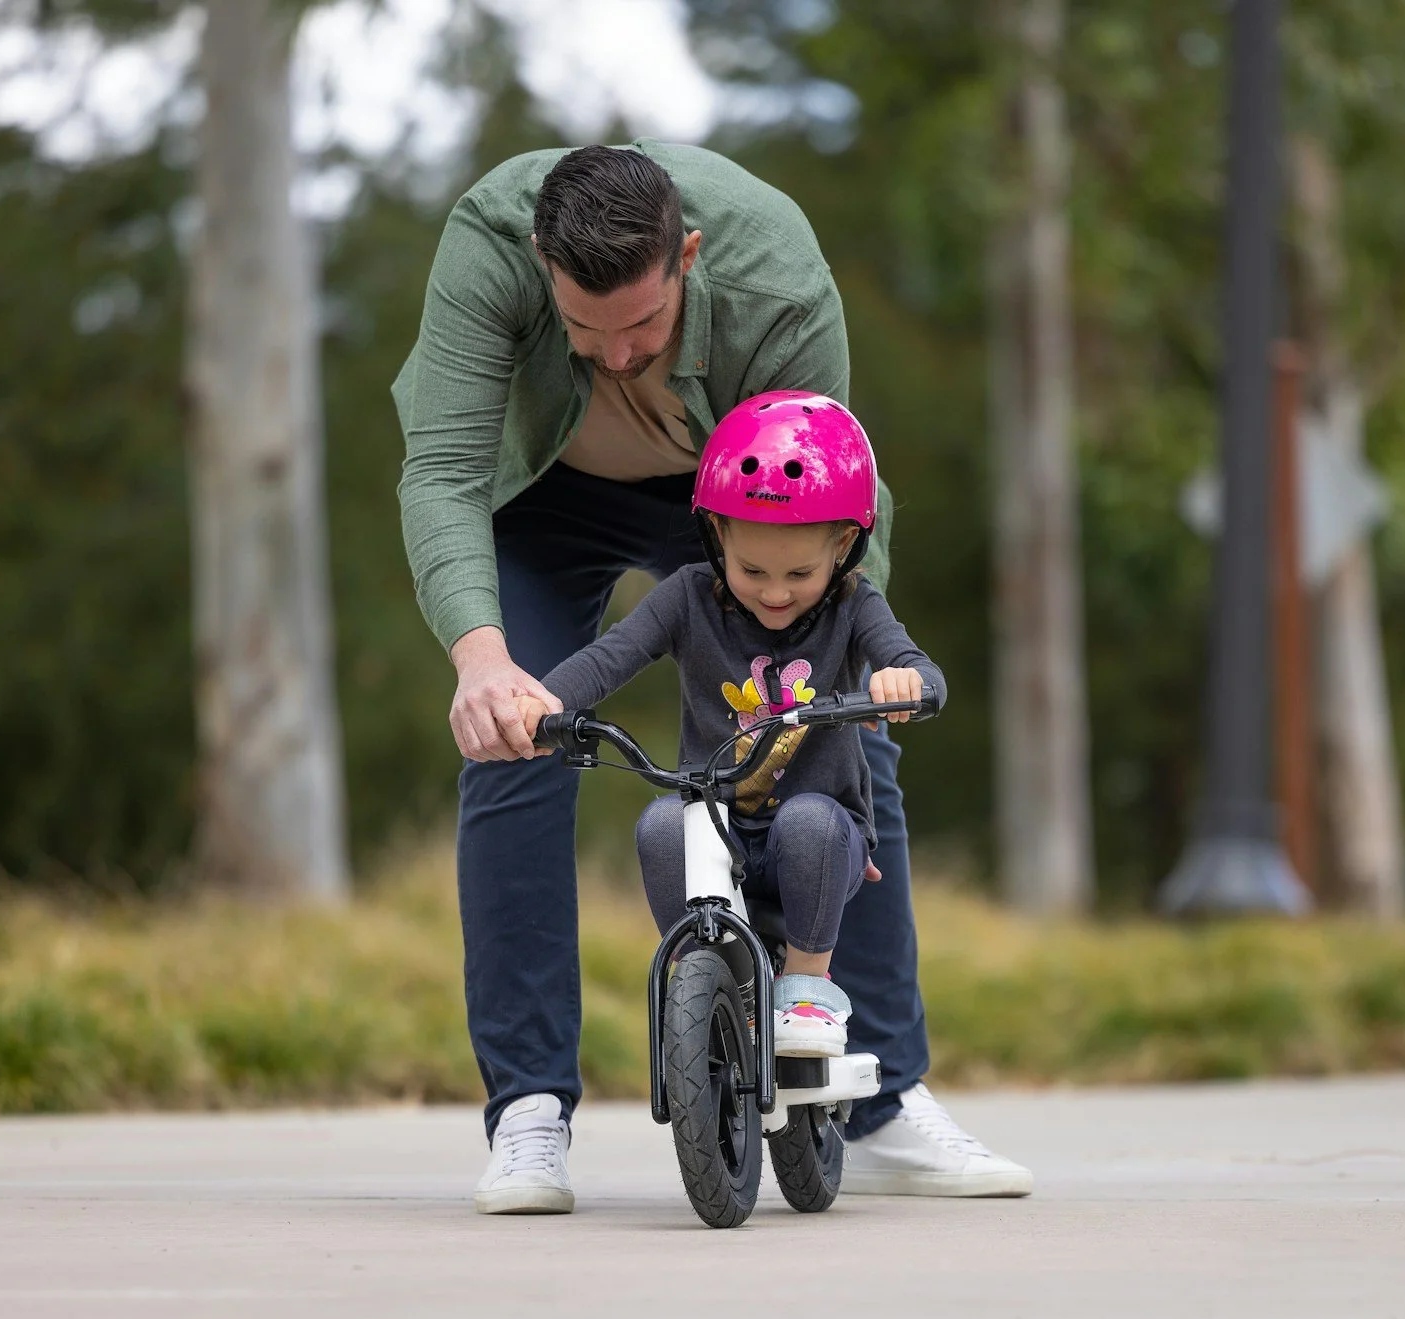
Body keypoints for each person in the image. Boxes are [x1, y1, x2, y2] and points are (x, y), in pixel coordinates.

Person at [391, 141, 1033, 1214]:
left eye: (641, 326)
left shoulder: (776, 271)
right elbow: (444, 469)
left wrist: (864, 669)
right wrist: (482, 659)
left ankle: (877, 1099)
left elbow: (832, 487)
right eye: (582, 331)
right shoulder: (488, 245)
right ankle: (529, 1113)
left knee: (846, 742)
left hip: (746, 504)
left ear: (686, 254)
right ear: (542, 264)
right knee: (516, 736)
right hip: (545, 502)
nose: (614, 356)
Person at [520, 392, 935, 1068]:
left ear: (844, 545)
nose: (774, 592)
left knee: (806, 820)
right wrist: (540, 701)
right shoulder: (687, 597)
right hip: (720, 827)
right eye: (752, 570)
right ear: (717, 540)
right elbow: (611, 656)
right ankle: (706, 983)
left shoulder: (856, 607)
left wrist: (902, 682)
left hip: (824, 830)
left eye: (799, 573)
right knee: (661, 825)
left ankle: (807, 986)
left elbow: (915, 666)